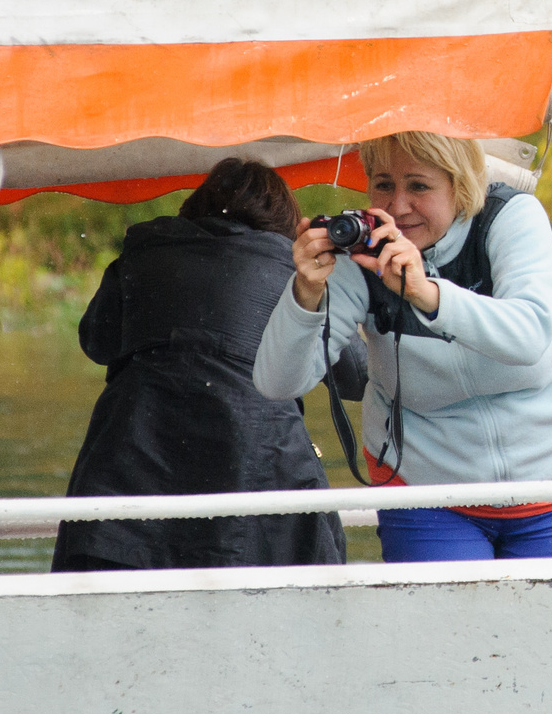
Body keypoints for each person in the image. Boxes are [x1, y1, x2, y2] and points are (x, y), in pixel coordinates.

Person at [251, 130, 552, 562]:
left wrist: (427, 294)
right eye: (383, 184)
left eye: (418, 186)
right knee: (443, 630)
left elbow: (530, 336)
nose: (398, 206)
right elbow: (276, 382)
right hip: (425, 486)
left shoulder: (511, 218)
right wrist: (305, 293)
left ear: (461, 185)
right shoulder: (359, 257)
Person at [54, 157, 345, 573]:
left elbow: (96, 341)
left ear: (196, 205)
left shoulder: (145, 252)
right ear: (284, 217)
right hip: (260, 473)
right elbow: (352, 375)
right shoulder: (299, 274)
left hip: (129, 472)